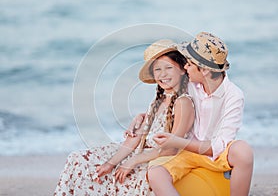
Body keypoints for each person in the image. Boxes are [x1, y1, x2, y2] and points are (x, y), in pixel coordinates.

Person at [54, 39, 195, 195]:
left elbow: (172, 148)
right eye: (157, 70)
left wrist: (133, 161)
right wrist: (111, 162)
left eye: (169, 67)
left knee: (121, 177)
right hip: (140, 152)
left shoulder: (183, 102)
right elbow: (135, 138)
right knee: (78, 159)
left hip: (155, 158)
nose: (163, 74)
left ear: (182, 69)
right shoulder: (158, 101)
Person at [129, 32, 253, 196]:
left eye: (189, 64)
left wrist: (177, 141)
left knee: (243, 151)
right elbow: (167, 103)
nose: (185, 67)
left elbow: (220, 145)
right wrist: (143, 116)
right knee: (156, 173)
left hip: (214, 155)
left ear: (204, 70)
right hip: (186, 153)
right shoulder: (190, 83)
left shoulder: (233, 95)